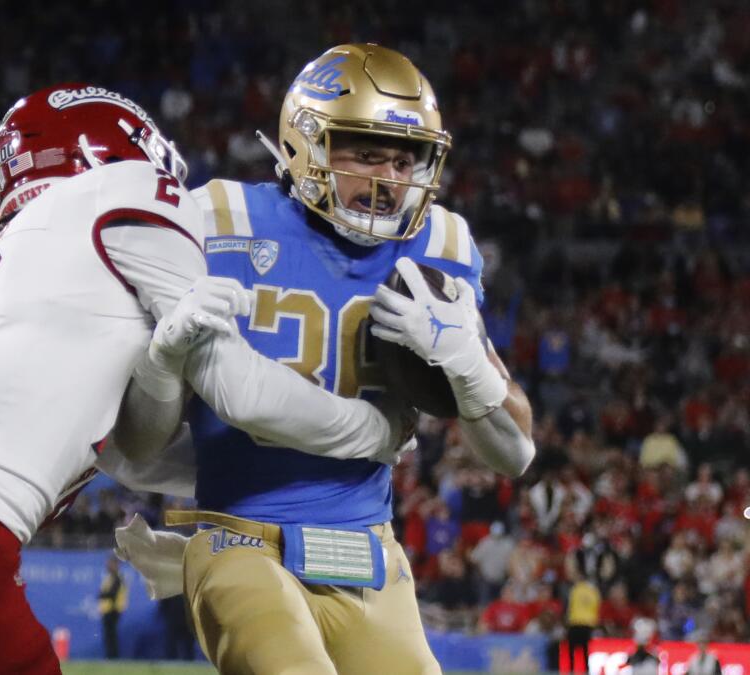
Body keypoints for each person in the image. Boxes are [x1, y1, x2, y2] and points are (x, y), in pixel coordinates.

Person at [0, 84, 413, 674]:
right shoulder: (128, 193)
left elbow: (138, 456)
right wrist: (368, 431)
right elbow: (236, 389)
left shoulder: (13, 313)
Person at [118, 43, 536, 674]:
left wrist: (469, 366)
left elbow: (516, 451)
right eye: (365, 153)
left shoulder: (441, 246)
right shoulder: (221, 217)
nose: (389, 178)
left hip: (368, 547)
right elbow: (160, 431)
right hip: (241, 537)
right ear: (305, 143)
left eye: (404, 159)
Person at [98, 556, 128, 659]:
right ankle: (110, 656)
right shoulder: (110, 577)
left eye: (110, 563)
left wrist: (103, 595)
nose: (108, 565)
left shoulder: (117, 578)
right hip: (108, 610)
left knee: (111, 636)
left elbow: (111, 594)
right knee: (109, 636)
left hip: (113, 610)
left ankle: (112, 657)